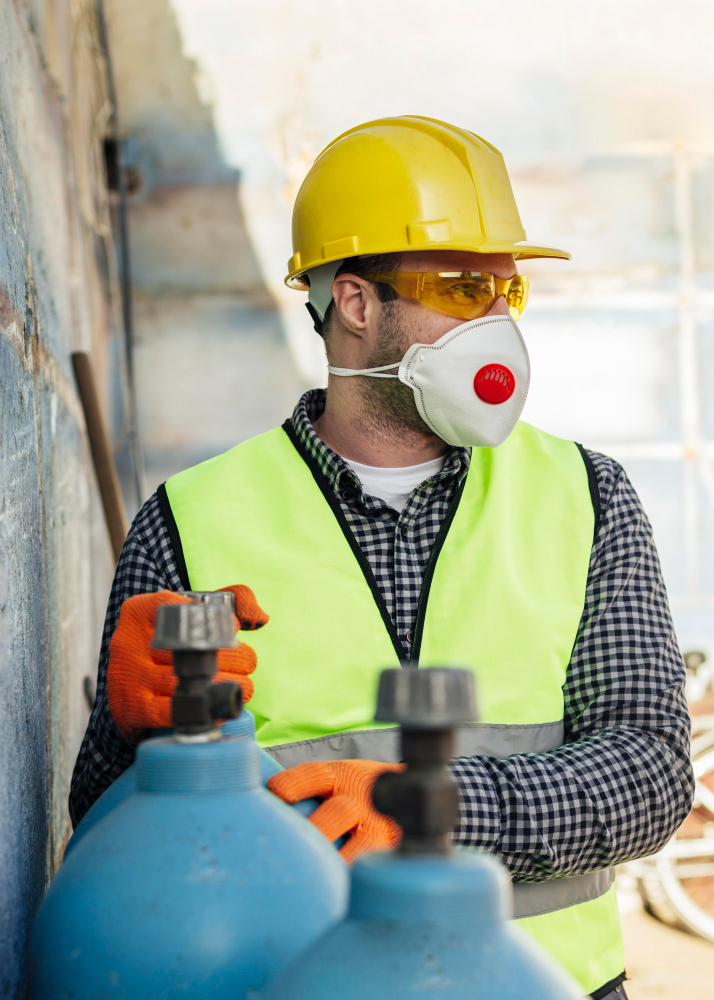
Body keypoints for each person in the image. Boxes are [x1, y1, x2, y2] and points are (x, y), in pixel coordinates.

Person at [70, 117, 693, 1000]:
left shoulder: (585, 496)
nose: (500, 328)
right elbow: (103, 834)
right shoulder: (188, 522)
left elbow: (651, 771)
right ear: (356, 304)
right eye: (466, 289)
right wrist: (132, 732)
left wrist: (428, 807)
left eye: (508, 296)